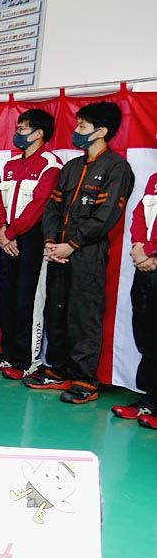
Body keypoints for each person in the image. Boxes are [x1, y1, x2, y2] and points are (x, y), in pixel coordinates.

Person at [25, 102, 135, 404]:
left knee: (84, 314)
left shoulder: (117, 168)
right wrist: (51, 241)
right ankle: (58, 370)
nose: (76, 131)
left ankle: (85, 379)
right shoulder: (71, 167)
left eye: (82, 127)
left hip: (88, 253)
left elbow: (107, 215)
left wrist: (72, 244)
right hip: (58, 250)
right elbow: (52, 207)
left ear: (101, 131)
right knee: (56, 310)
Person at [0, 109, 62, 380]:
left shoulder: (51, 165)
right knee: (7, 297)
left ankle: (27, 361)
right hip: (8, 237)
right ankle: (8, 355)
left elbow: (39, 205)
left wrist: (12, 233)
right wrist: (2, 230)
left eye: (23, 128)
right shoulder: (10, 165)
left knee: (28, 299)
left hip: (32, 239)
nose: (18, 132)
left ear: (39, 133)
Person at [111, 170, 157, 429]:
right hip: (146, 266)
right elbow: (139, 215)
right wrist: (140, 247)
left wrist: (150, 250)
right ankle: (150, 399)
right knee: (147, 333)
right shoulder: (154, 179)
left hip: (152, 257)